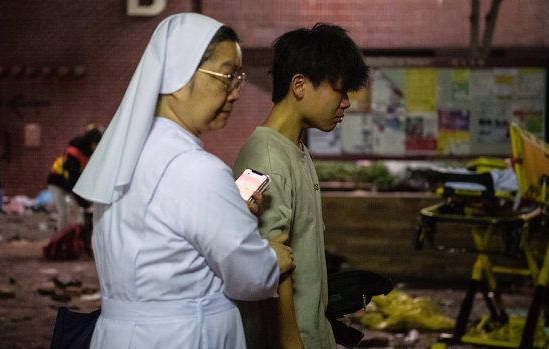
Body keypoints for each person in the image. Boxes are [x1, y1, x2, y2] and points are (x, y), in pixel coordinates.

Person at [71, 13, 295, 349]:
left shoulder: (124, 159)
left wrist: (233, 212)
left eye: (239, 79)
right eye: (227, 77)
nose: (236, 93)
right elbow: (249, 278)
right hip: (186, 334)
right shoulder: (197, 169)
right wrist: (272, 258)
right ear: (177, 75)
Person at [233, 24, 369, 348]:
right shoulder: (267, 160)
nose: (346, 103)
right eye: (339, 90)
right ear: (299, 85)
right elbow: (268, 269)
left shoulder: (293, 149)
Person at [47, 125, 102, 232]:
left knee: (76, 212)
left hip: (67, 182)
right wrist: (85, 204)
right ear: (91, 142)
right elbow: (73, 182)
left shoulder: (87, 153)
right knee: (63, 212)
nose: (98, 147)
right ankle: (60, 239)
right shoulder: (74, 154)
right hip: (56, 181)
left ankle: (75, 238)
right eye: (97, 144)